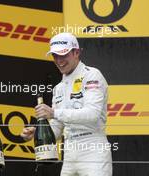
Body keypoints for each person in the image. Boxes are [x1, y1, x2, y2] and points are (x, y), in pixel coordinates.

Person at [21, 32, 112, 176]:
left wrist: (54, 113)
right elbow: (58, 128)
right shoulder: (58, 88)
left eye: (63, 55)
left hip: (93, 148)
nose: (59, 60)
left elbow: (92, 114)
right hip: (69, 151)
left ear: (76, 52)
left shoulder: (92, 75)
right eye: (55, 56)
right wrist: (38, 130)